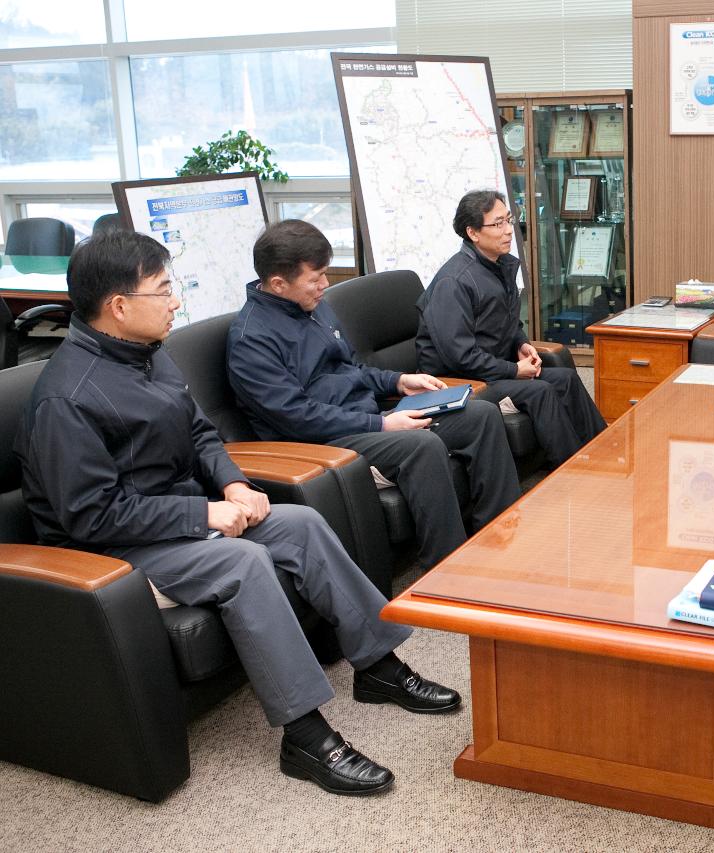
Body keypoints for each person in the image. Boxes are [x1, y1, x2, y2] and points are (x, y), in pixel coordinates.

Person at [15, 230, 461, 797]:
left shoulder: (148, 356)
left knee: (300, 523)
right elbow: (90, 517)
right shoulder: (67, 397)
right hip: (116, 549)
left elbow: (201, 432)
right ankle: (303, 735)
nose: (175, 301)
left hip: (177, 513)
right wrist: (203, 514)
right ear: (119, 306)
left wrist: (232, 482)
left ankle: (379, 666)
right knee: (244, 564)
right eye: (163, 290)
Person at [227, 219, 520, 571]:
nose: (324, 285)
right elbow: (297, 417)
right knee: (421, 446)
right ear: (277, 283)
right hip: (324, 441)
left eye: (325, 274)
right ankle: (447, 570)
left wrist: (399, 382)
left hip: (368, 416)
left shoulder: (314, 307)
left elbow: (354, 368)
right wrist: (382, 423)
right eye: (315, 278)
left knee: (480, 415)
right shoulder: (251, 340)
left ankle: (499, 534)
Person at [416, 190, 605, 467]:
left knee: (565, 378)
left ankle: (603, 453)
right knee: (540, 391)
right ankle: (571, 472)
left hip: (491, 367)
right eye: (497, 224)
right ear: (473, 233)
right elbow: (460, 357)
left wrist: (521, 343)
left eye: (509, 220)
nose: (508, 231)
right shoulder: (454, 282)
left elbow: (507, 321)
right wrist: (514, 370)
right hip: (461, 381)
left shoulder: (498, 265)